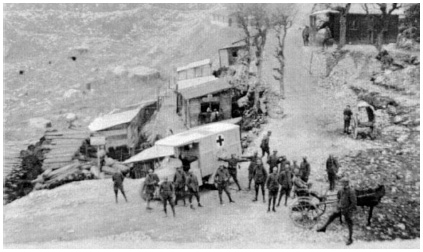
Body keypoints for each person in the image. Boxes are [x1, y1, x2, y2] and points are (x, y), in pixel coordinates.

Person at [317, 178, 357, 246]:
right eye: (342, 183)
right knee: (332, 216)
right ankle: (324, 228)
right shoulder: (341, 190)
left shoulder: (351, 191)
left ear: (347, 183)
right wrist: (339, 206)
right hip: (341, 209)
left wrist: (347, 209)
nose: (342, 184)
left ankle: (350, 239)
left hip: (348, 210)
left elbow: (354, 203)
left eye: (344, 183)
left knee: (349, 224)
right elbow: (339, 198)